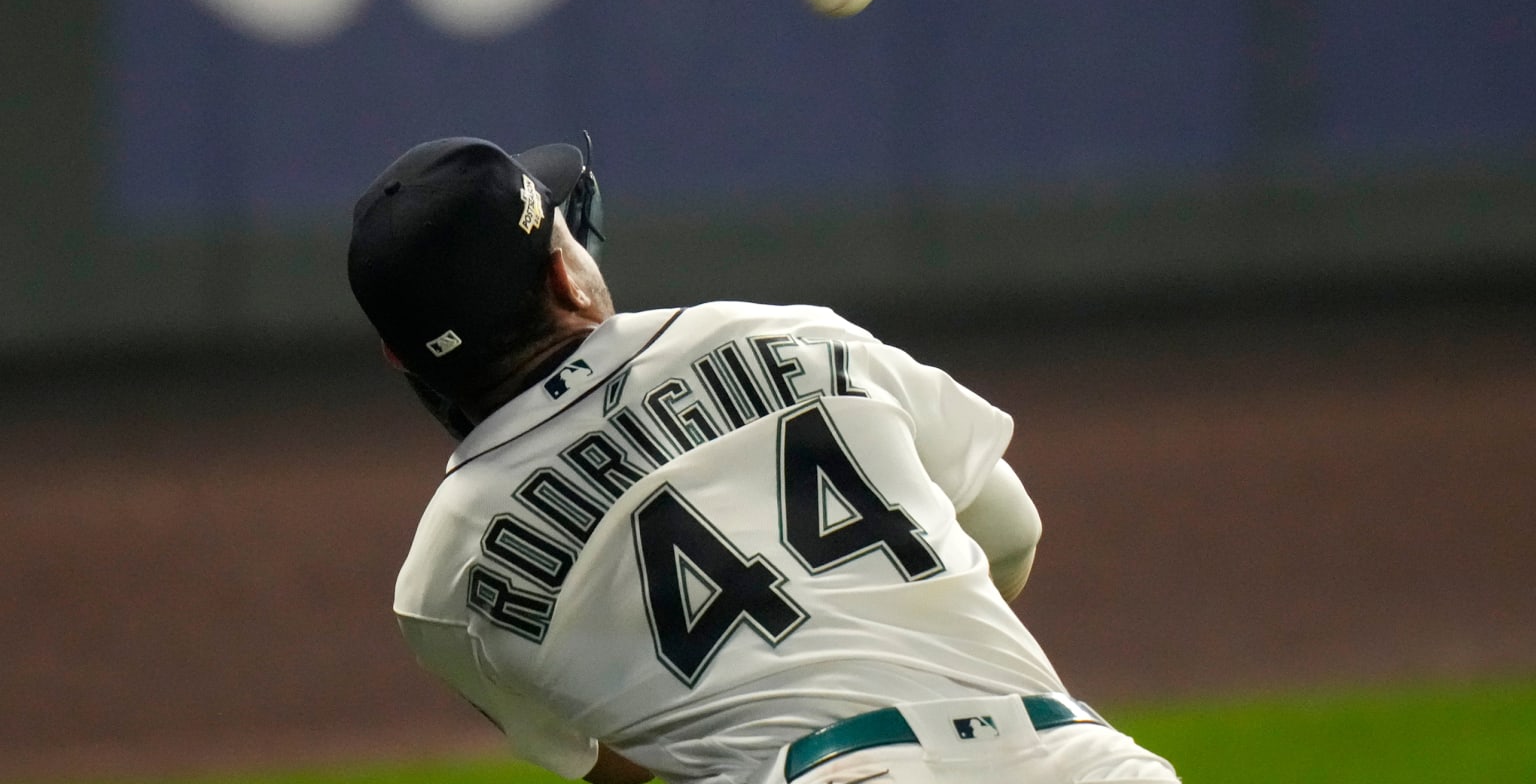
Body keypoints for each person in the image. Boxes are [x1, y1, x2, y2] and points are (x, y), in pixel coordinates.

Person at [346, 135, 1179, 784]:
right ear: (566, 279)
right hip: (1084, 759)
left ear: (399, 357)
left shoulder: (442, 580)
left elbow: (616, 762)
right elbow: (1010, 532)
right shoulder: (788, 334)